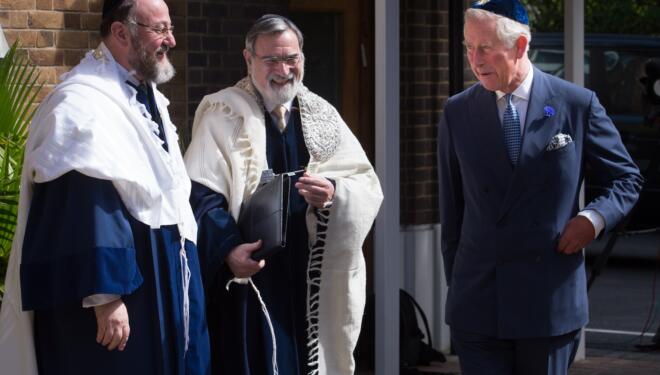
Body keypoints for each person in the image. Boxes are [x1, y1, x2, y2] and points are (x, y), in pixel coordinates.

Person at [0, 0, 210, 373]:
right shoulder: (81, 105)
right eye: (159, 30)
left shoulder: (145, 98)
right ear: (120, 32)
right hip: (118, 292)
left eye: (170, 28)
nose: (171, 40)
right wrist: (105, 296)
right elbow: (83, 205)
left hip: (161, 273)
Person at [437, 1, 643, 374]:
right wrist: (460, 280)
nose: (474, 59)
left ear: (519, 46)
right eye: (468, 47)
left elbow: (626, 178)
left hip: (547, 299)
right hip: (478, 299)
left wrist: (592, 220)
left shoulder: (576, 104)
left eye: (484, 48)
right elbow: (452, 209)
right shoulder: (457, 111)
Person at [184, 14, 383, 375]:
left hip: (310, 275)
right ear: (248, 59)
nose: (283, 69)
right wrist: (228, 248)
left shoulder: (322, 114)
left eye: (291, 58)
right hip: (252, 276)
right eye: (271, 60)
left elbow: (365, 184)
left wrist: (334, 193)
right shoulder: (222, 112)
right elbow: (200, 196)